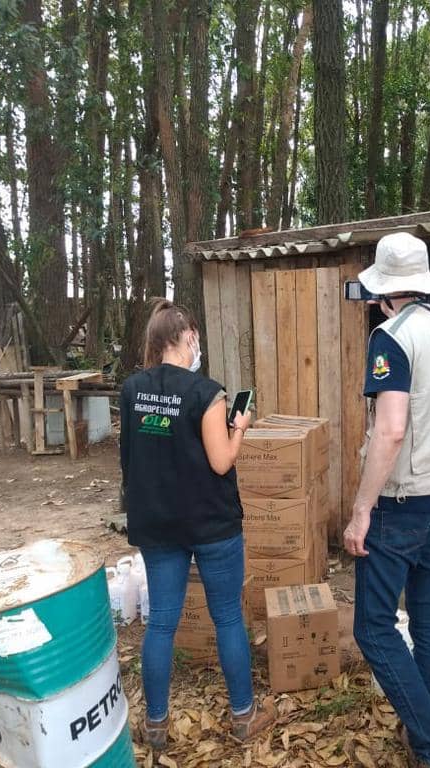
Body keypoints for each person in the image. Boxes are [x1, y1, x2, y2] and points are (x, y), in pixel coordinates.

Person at [119, 299, 275, 750]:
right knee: (226, 615)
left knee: (162, 622)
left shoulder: (132, 390)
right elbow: (222, 460)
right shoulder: (207, 393)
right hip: (212, 524)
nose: (198, 345)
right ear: (186, 337)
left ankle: (155, 724)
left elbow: (129, 459)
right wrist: (239, 425)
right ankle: (244, 715)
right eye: (196, 338)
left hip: (158, 525)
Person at [343, 232, 430, 768]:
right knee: (425, 616)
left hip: (405, 499)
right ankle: (428, 729)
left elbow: (392, 430)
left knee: (373, 627)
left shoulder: (391, 337)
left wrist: (361, 508)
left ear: (384, 291)